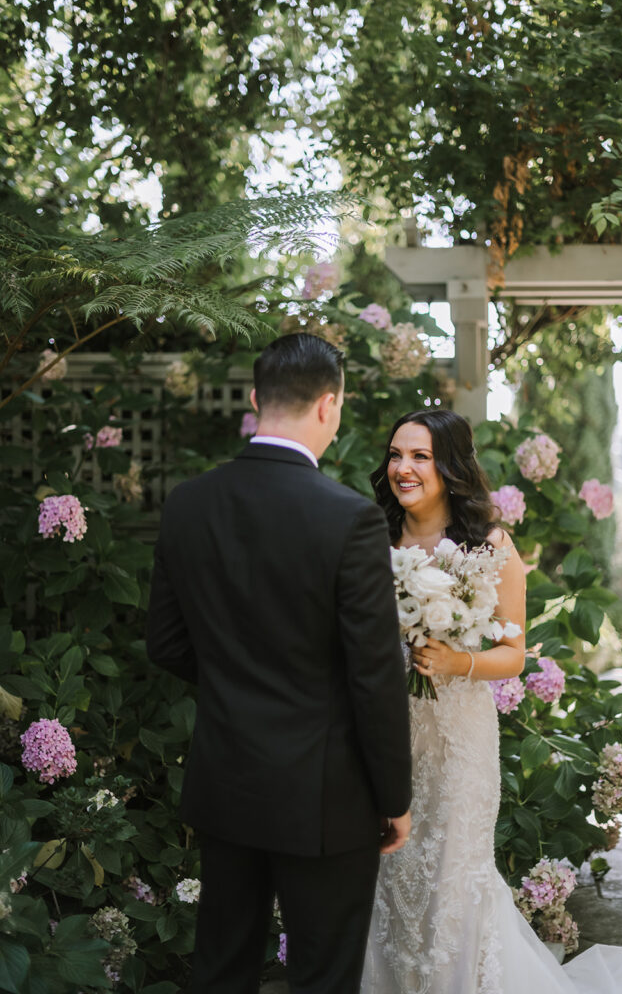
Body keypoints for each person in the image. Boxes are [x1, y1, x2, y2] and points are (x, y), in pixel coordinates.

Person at [361, 408, 622, 994]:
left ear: (451, 466)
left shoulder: (489, 545)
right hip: (388, 733)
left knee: (452, 881)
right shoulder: (375, 536)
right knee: (394, 878)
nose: (402, 468)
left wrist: (460, 662)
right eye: (395, 455)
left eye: (420, 456)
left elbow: (512, 654)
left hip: (458, 741)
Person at [146, 332, 412, 994]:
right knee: (322, 975)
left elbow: (166, 644)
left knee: (222, 967)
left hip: (226, 782)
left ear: (257, 399)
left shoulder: (188, 503)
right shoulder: (349, 519)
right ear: (329, 406)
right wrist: (394, 797)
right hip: (327, 796)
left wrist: (240, 690)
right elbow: (374, 676)